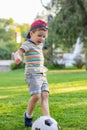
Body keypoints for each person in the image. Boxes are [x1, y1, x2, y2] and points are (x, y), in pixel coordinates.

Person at [14, 19, 50, 127]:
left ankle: (48, 120)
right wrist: (17, 57)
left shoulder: (39, 45)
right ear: (31, 33)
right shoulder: (27, 44)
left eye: (44, 36)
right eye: (39, 35)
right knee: (36, 96)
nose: (42, 39)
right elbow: (18, 52)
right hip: (32, 74)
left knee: (45, 95)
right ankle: (28, 115)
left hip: (42, 74)